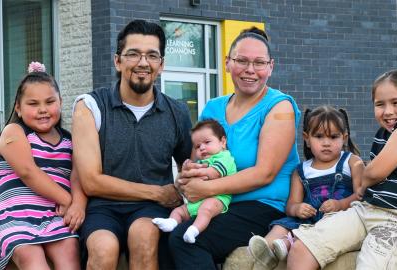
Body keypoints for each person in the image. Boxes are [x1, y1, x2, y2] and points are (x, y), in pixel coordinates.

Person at [286, 70, 397, 270]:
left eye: (396, 103)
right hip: (368, 211)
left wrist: (365, 181)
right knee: (304, 248)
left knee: (373, 262)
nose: (387, 111)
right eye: (380, 104)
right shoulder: (382, 135)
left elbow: (374, 173)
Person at [169, 26, 301, 269]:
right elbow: (199, 159)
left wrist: (204, 189)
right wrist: (187, 179)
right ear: (227, 63)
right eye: (242, 61)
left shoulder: (279, 107)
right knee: (165, 235)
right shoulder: (213, 108)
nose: (250, 70)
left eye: (259, 63)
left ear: (270, 67)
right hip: (221, 203)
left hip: (265, 206)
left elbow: (265, 173)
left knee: (186, 240)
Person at [71, 19, 192, 270]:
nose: (143, 63)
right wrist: (158, 192)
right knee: (103, 250)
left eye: (152, 55)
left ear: (161, 64)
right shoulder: (90, 106)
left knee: (144, 237)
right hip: (102, 207)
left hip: (151, 210)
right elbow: (91, 181)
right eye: (133, 54)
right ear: (118, 61)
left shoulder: (177, 112)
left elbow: (188, 169)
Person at [0, 62, 86, 270]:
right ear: (18, 108)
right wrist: (67, 199)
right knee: (31, 257)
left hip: (54, 217)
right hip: (14, 217)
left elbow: (79, 177)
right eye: (33, 104)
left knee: (70, 250)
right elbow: (28, 172)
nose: (42, 110)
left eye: (50, 101)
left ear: (60, 101)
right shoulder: (14, 132)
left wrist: (77, 204)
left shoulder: (70, 141)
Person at [248, 106, 365, 269]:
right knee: (282, 225)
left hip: (337, 218)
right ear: (307, 138)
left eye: (333, 137)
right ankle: (266, 249)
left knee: (309, 233)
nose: (326, 143)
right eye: (318, 136)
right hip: (308, 219)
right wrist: (297, 209)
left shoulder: (351, 161)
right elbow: (291, 205)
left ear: (344, 138)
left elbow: (361, 195)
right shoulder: (301, 170)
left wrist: (340, 204)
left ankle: (287, 244)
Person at [153, 119, 237, 244]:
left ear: (222, 142)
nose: (202, 148)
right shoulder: (202, 161)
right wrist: (187, 168)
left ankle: (194, 230)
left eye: (207, 142)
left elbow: (213, 173)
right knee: (179, 211)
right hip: (196, 201)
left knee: (206, 210)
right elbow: (185, 178)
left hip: (216, 199)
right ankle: (171, 222)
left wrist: (193, 172)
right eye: (197, 146)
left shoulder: (224, 157)